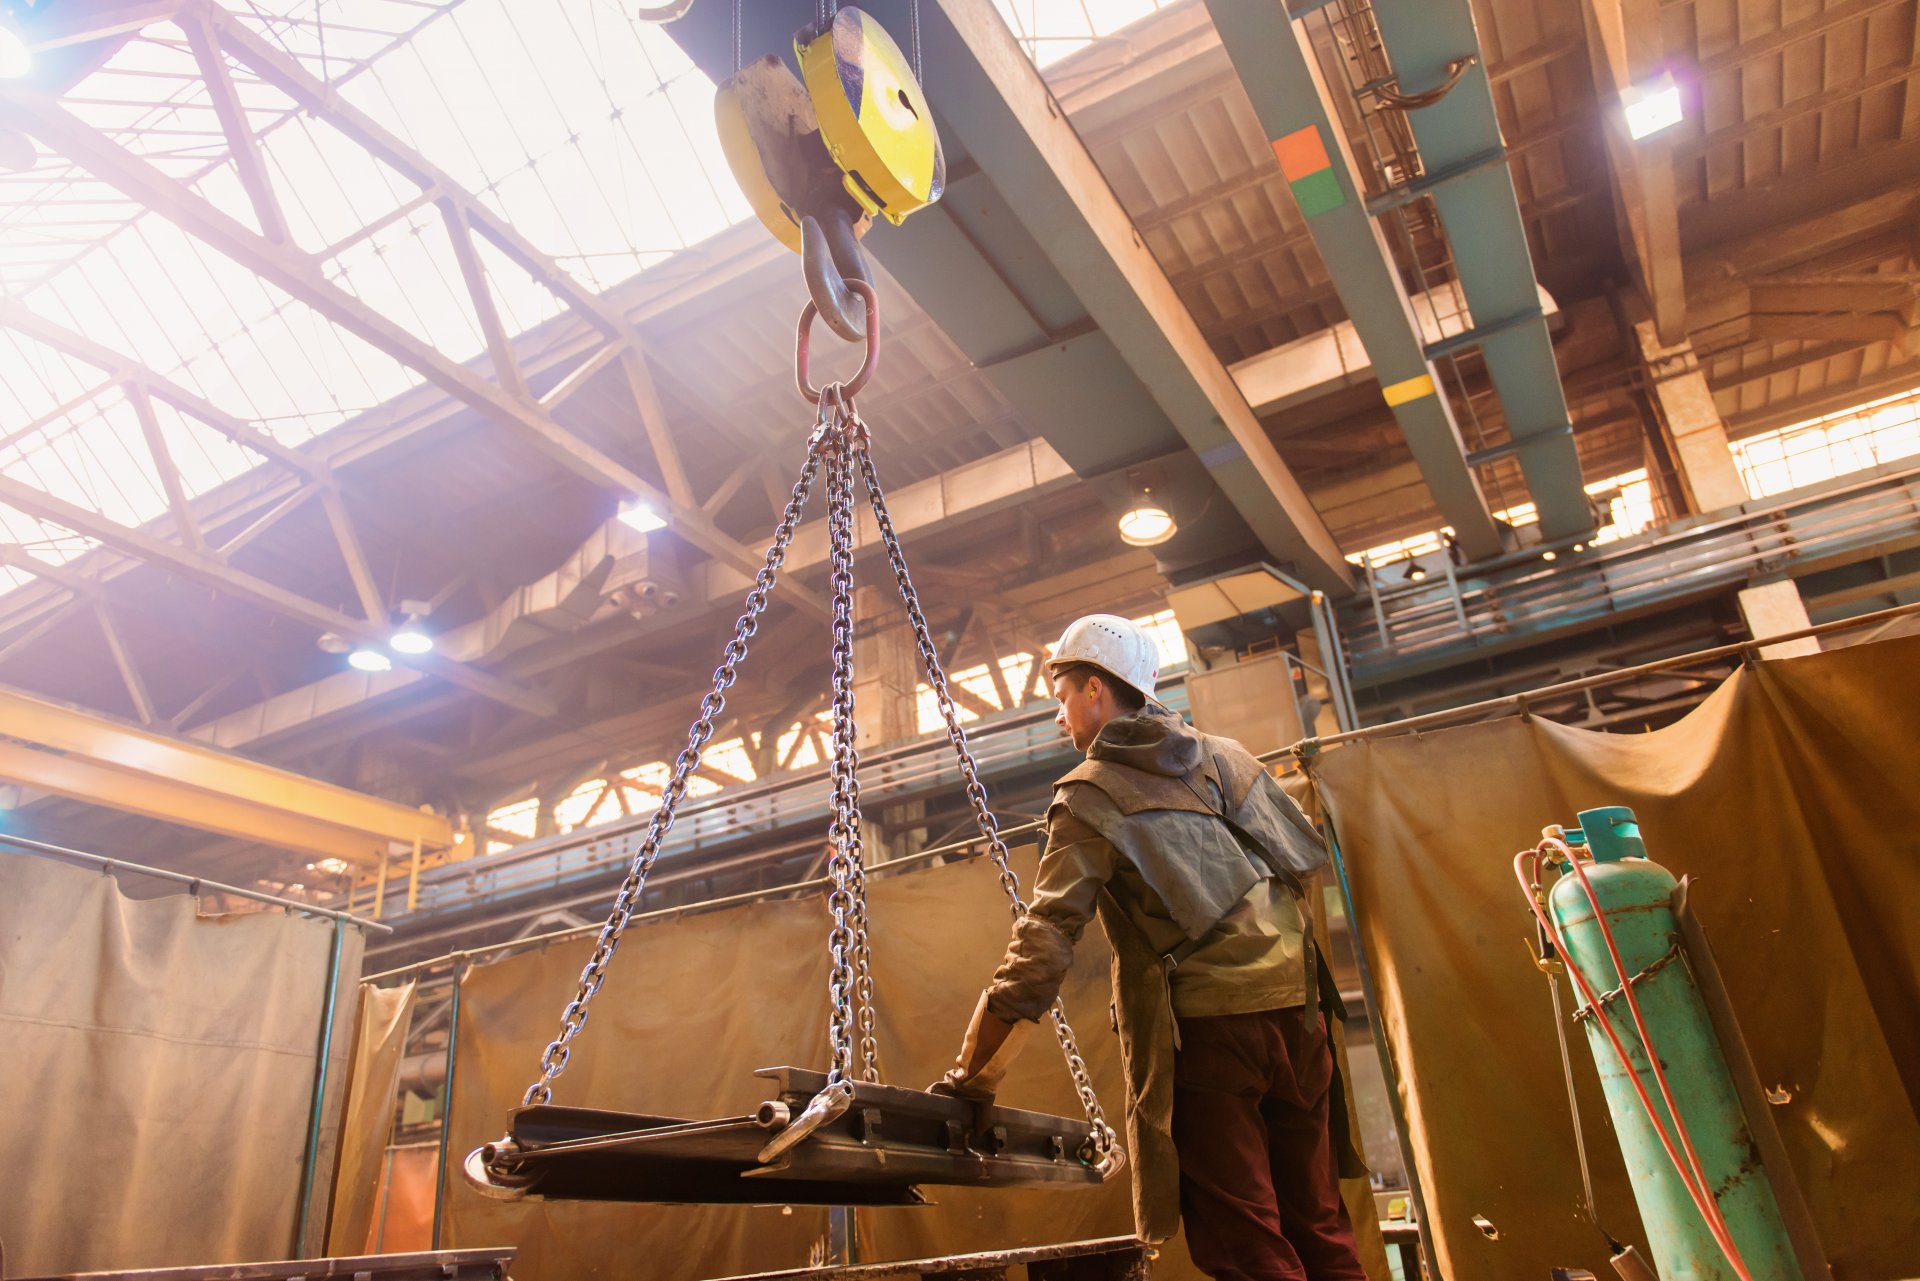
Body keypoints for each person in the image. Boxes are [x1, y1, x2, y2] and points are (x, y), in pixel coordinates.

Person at [935, 614, 1368, 1281]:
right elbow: (1300, 866)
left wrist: (974, 1073)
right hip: (1304, 1016)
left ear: (1097, 692)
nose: (1058, 716)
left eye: (1062, 695)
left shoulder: (1089, 794)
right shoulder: (1228, 755)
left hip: (1211, 1035)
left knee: (1247, 1241)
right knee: (1320, 1224)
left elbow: (1044, 944)